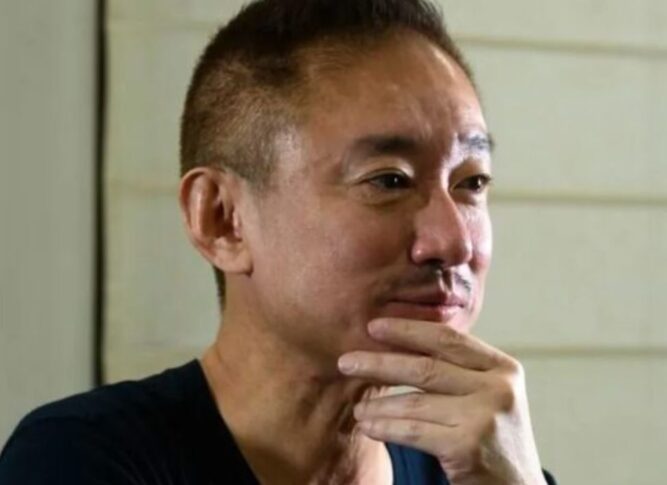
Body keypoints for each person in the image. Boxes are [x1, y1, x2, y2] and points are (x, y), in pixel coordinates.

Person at [0, 0, 556, 483]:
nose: (454, 243)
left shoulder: (478, 469)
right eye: (389, 180)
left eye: (471, 183)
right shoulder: (82, 458)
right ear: (222, 220)